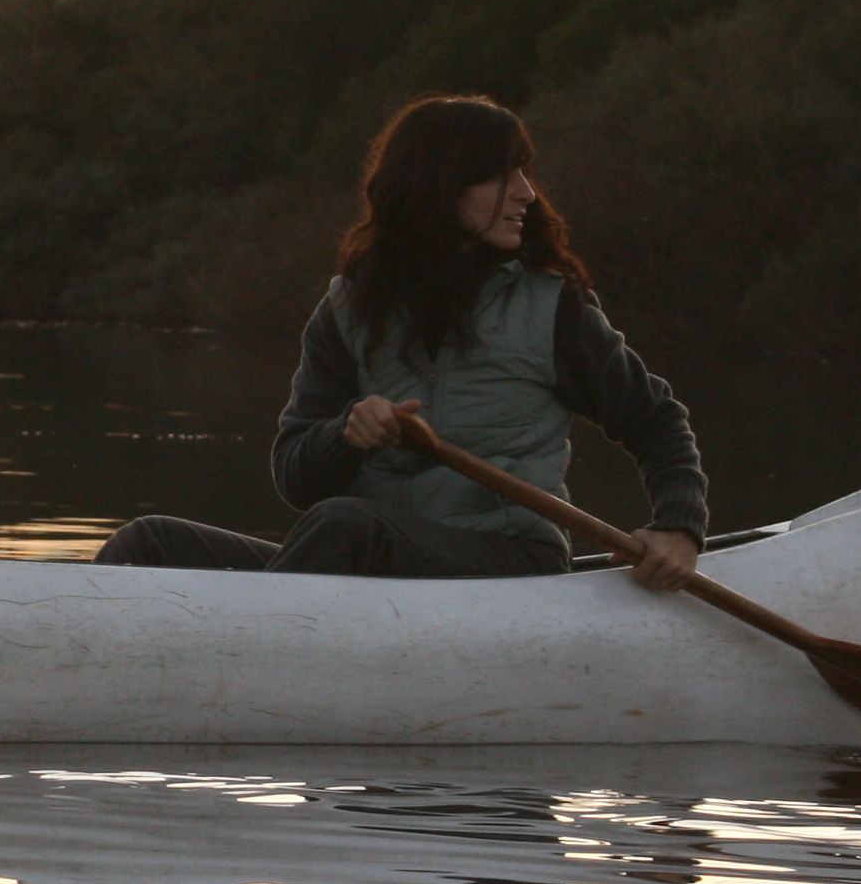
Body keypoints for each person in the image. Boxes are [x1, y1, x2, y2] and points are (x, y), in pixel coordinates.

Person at [97, 95, 706, 583]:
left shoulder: (552, 308)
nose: (526, 192)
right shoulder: (349, 309)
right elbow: (294, 476)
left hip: (511, 562)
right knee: (149, 541)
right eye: (500, 175)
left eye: (525, 172)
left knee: (346, 526)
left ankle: (229, 662)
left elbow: (656, 420)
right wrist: (344, 436)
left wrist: (678, 528)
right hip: (373, 556)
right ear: (439, 187)